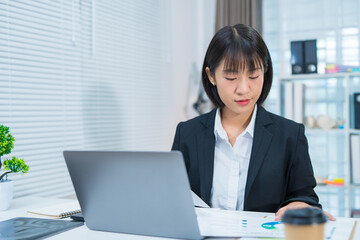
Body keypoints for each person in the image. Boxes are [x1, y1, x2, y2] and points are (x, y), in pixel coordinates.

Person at [171, 24, 334, 221]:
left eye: (254, 75)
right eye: (231, 77)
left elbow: (305, 197)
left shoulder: (290, 135)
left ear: (265, 72)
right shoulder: (187, 133)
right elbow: (174, 197)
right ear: (211, 75)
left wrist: (299, 204)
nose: (244, 89)